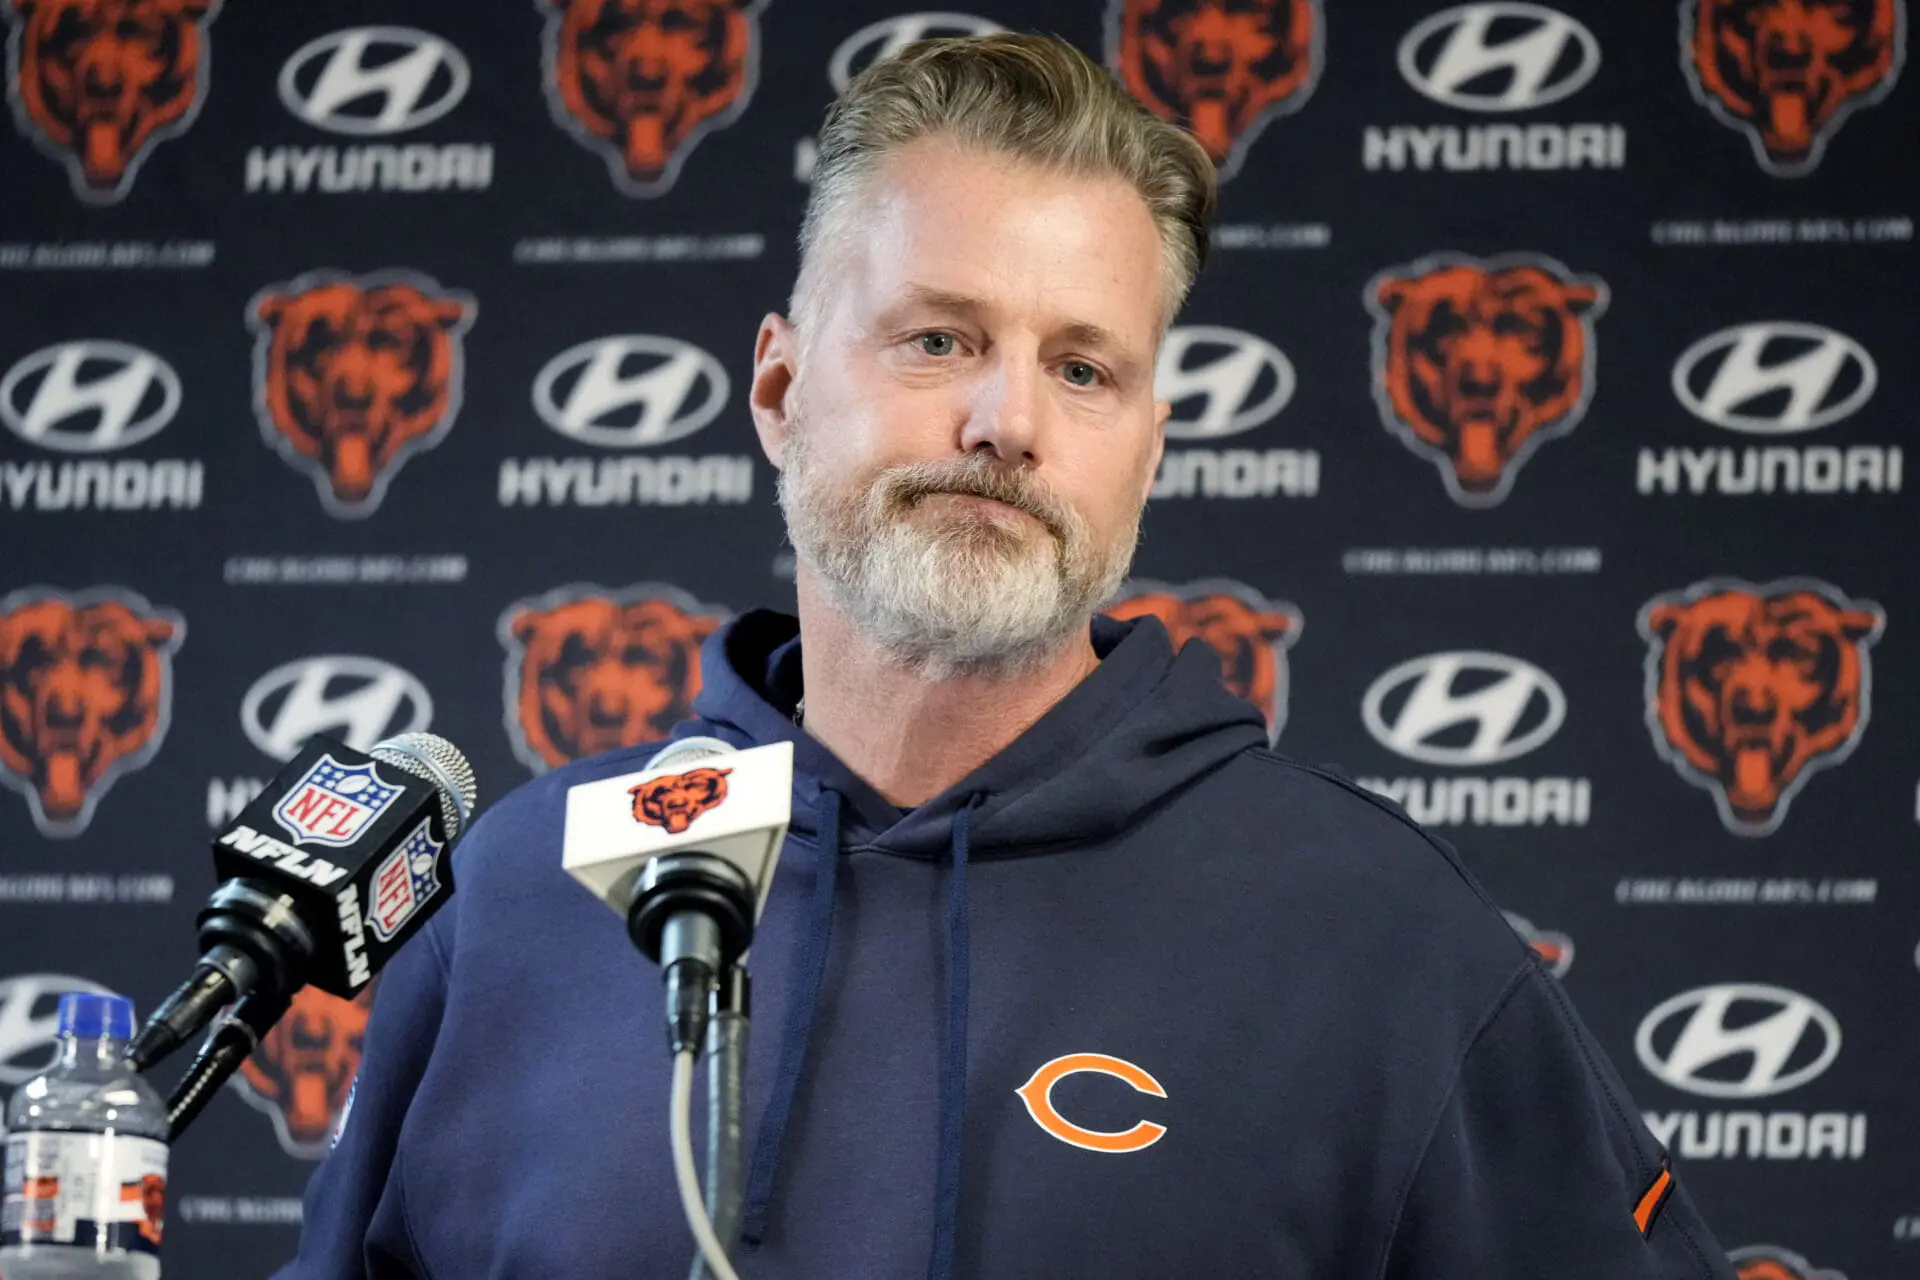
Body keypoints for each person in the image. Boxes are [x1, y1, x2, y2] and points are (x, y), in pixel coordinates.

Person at [275, 33, 1736, 1280]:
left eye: (1083, 368)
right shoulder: (525, 900)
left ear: (1146, 451)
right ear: (781, 388)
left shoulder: (1380, 939)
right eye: (937, 340)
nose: (1008, 422)